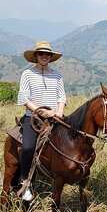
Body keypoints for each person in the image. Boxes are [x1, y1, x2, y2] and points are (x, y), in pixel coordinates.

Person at [18, 40, 67, 201]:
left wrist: (59, 112)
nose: (44, 56)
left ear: (51, 57)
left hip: (55, 117)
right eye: (41, 53)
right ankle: (25, 182)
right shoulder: (27, 74)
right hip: (34, 118)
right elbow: (25, 98)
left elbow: (62, 97)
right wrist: (41, 111)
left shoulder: (57, 75)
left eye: (47, 54)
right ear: (36, 56)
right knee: (27, 148)